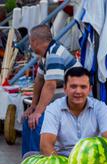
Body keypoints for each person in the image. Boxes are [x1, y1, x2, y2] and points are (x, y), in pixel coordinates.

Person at [22, 24, 81, 156]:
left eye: (31, 42)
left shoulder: (54, 54)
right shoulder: (46, 55)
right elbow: (39, 80)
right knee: (28, 119)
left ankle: (39, 162)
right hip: (64, 97)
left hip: (76, 99)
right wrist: (33, 106)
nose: (30, 46)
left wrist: (38, 112)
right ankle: (27, 161)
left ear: (35, 42)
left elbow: (50, 86)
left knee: (38, 121)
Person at [40, 67, 107, 157]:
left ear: (89, 89)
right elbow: (46, 145)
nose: (78, 91)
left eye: (83, 87)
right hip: (63, 159)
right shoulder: (53, 108)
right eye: (73, 86)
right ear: (65, 88)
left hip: (93, 160)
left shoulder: (100, 108)